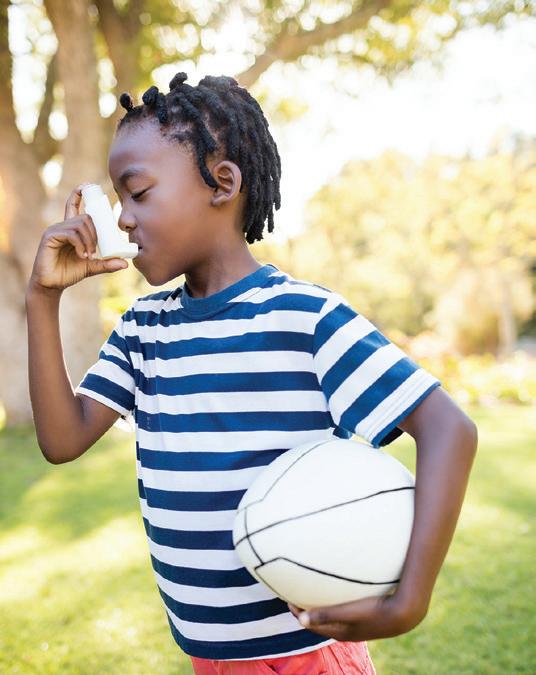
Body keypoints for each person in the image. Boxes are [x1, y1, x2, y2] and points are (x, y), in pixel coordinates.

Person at [26, 72, 478, 674]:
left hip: (307, 656)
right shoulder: (143, 329)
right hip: (208, 657)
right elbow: (61, 441)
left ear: (223, 183)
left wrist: (410, 599)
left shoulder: (304, 317)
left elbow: (449, 429)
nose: (123, 220)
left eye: (138, 193)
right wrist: (42, 298)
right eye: (119, 201)